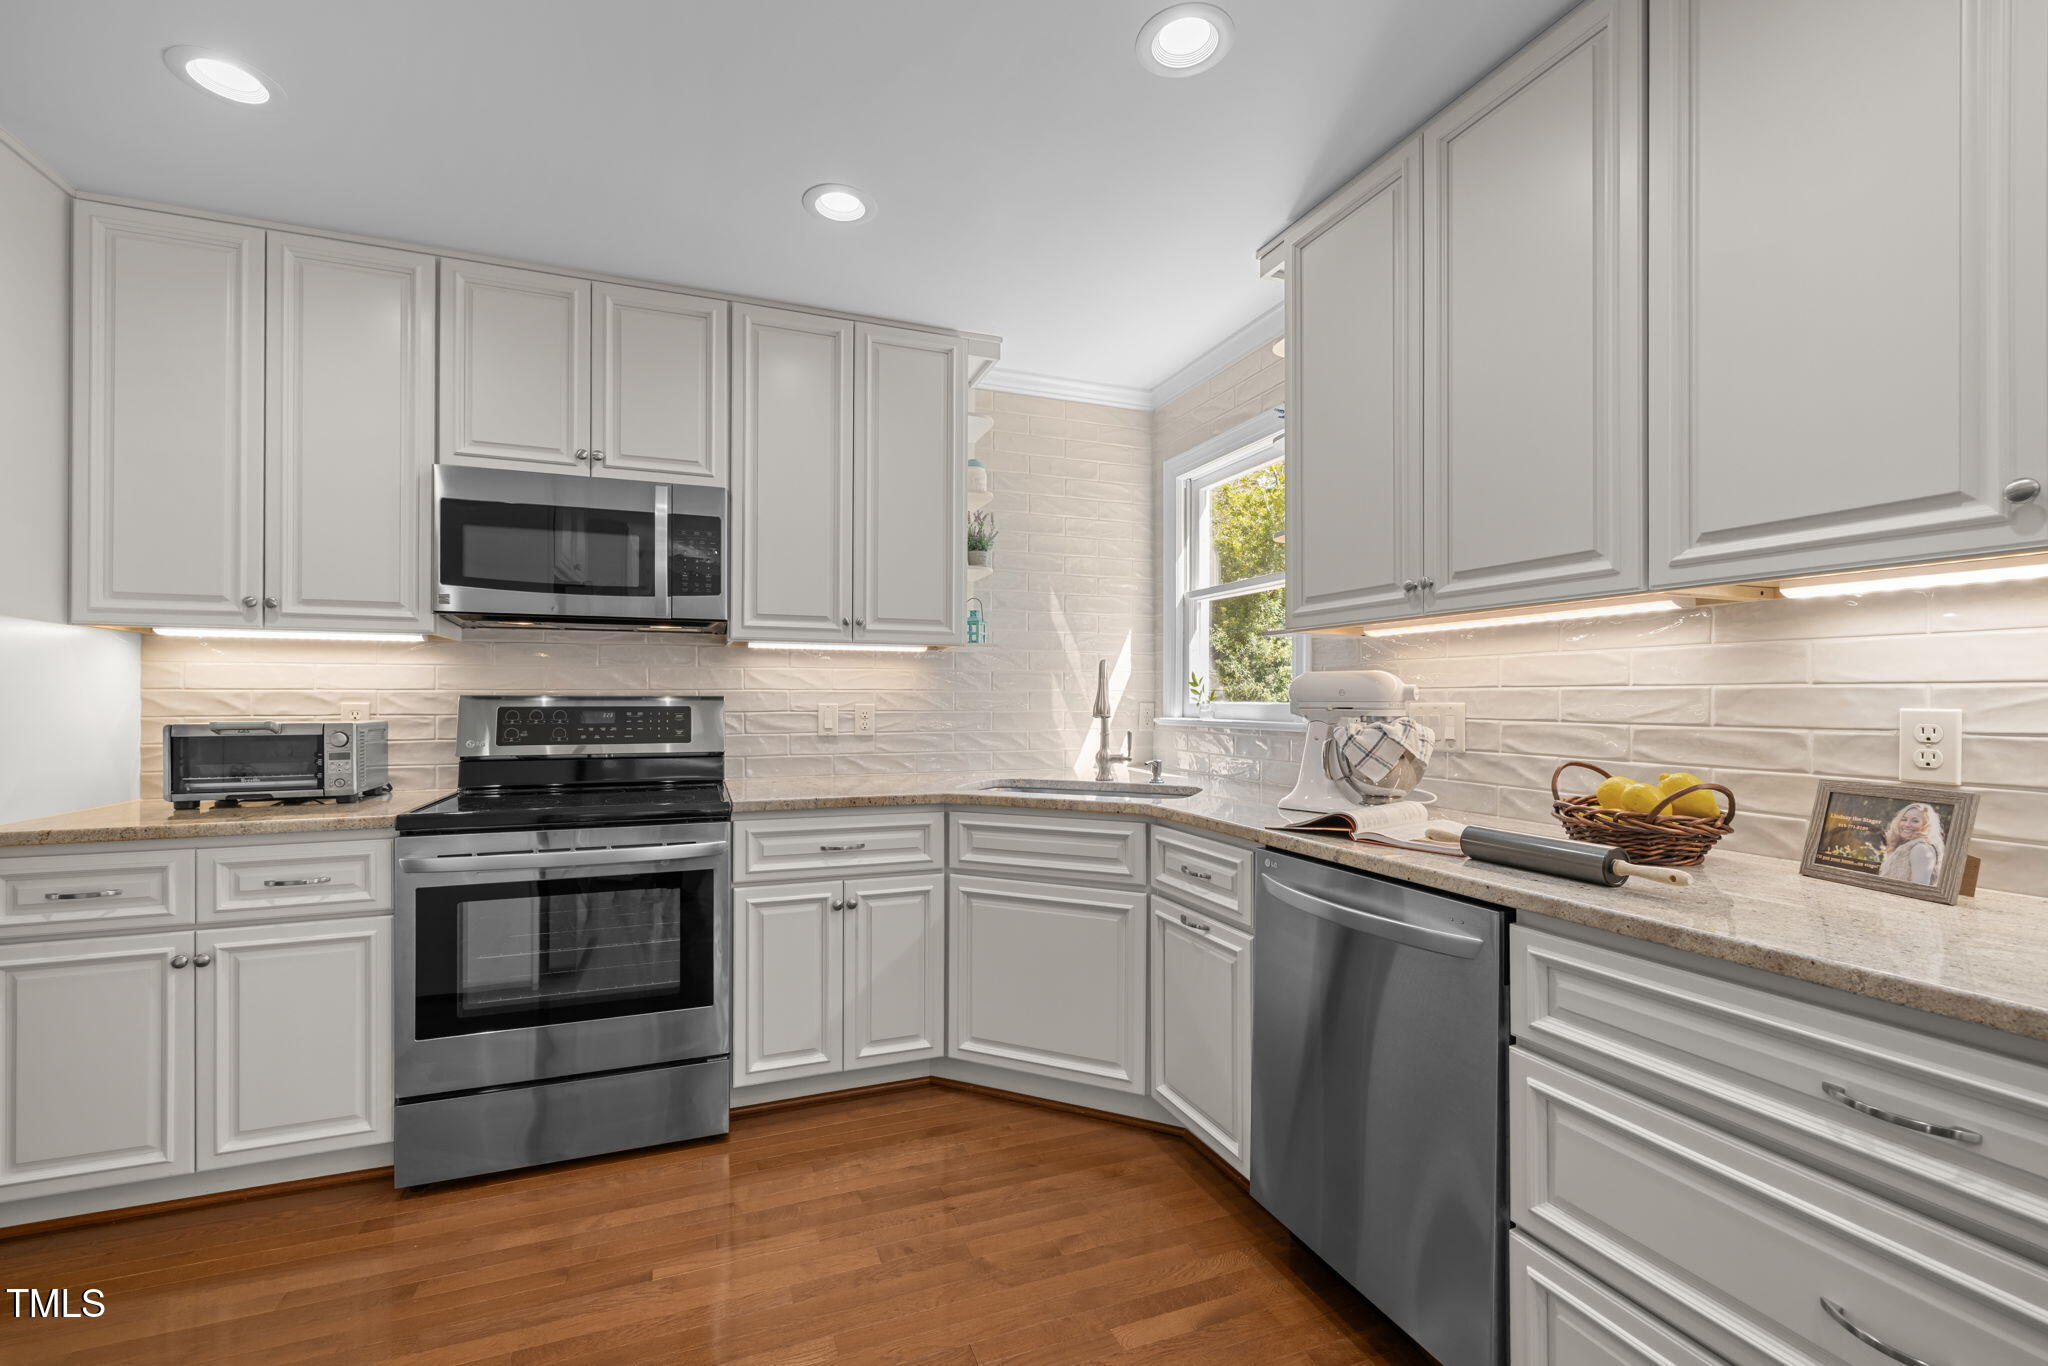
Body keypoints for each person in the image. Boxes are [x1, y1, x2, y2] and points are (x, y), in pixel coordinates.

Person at [1878, 802, 1945, 886]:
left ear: (1926, 825)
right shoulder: (1906, 846)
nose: (1907, 824)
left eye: (1915, 821)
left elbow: (1919, 890)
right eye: (1904, 819)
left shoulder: (1921, 849)